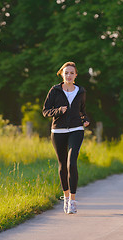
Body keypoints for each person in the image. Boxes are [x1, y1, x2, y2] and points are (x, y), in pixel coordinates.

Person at [42, 61, 90, 214]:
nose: (69, 75)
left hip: (76, 129)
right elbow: (45, 111)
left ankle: (73, 201)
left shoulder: (81, 91)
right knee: (62, 165)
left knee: (72, 163)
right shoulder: (55, 91)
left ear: (76, 75)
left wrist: (85, 119)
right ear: (62, 74)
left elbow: (81, 110)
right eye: (66, 73)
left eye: (72, 73)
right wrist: (58, 111)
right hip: (58, 131)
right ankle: (66, 197)